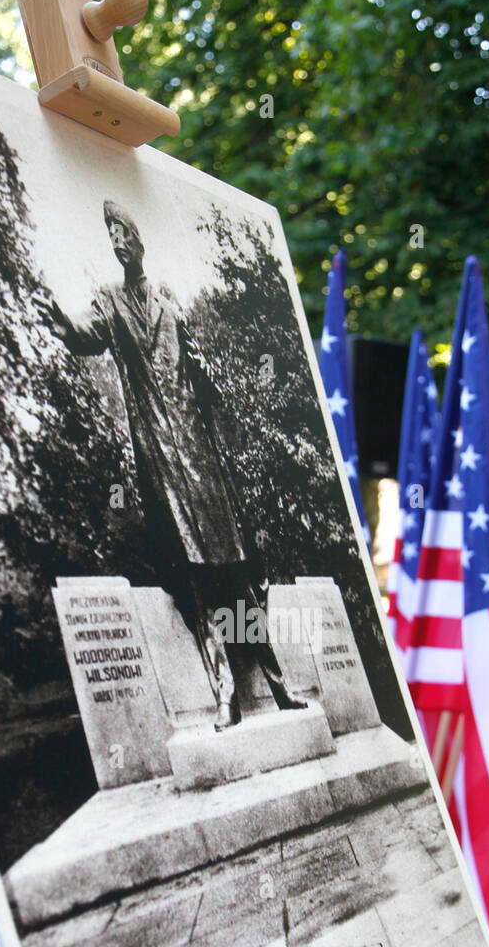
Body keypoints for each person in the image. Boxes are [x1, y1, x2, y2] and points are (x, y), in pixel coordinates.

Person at [46, 200, 306, 730]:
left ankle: (278, 684)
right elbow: (82, 337)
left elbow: (203, 378)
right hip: (160, 457)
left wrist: (211, 375)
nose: (119, 242)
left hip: (202, 456)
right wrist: (56, 316)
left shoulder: (168, 302)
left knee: (233, 570)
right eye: (111, 236)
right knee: (192, 575)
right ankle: (225, 693)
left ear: (140, 241)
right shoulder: (109, 304)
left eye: (125, 232)